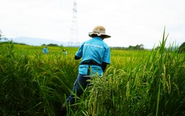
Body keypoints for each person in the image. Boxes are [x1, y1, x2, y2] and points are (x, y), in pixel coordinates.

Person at [58, 25, 111, 116]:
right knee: (95, 98)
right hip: (97, 74)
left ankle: (61, 114)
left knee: (73, 96)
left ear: (93, 34)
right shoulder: (105, 46)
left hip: (83, 72)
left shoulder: (85, 43)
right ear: (103, 36)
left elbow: (76, 57)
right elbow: (104, 64)